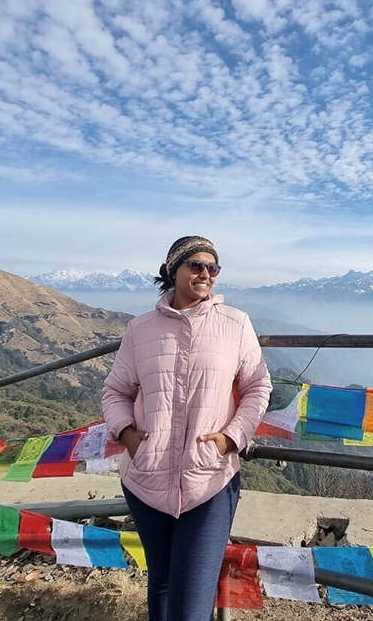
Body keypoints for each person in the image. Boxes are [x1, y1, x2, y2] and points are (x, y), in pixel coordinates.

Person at [102, 235, 272, 621]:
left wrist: (231, 438)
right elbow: (115, 390)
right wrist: (127, 435)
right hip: (146, 477)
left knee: (192, 603)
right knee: (160, 581)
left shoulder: (236, 324)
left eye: (213, 268)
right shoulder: (140, 329)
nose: (206, 274)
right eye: (196, 265)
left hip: (209, 480)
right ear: (172, 270)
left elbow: (259, 386)